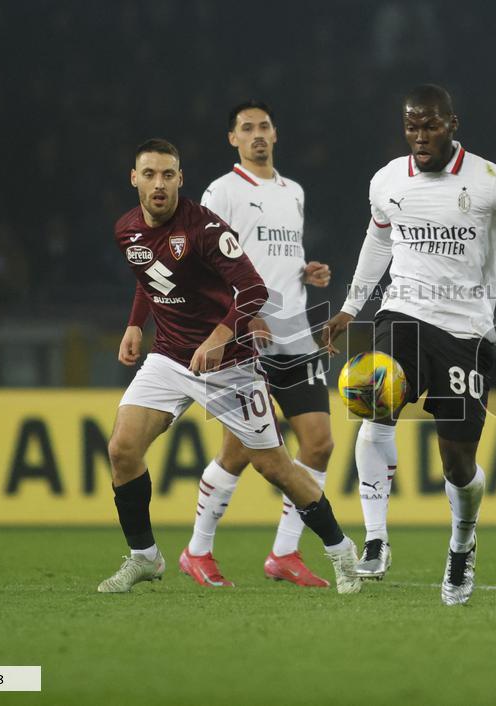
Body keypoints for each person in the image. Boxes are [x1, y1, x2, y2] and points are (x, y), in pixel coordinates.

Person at [322, 85, 496, 605]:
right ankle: (377, 539)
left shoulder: (491, 180)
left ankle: (462, 543)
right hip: (402, 312)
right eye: (412, 126)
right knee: (372, 400)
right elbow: (379, 240)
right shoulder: (386, 180)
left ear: (453, 124)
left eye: (430, 125)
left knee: (457, 461)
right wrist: (350, 307)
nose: (420, 136)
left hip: (466, 331)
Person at [99, 138, 360, 594]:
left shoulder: (203, 228)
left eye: (167, 175)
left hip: (230, 363)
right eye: (149, 174)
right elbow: (149, 275)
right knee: (122, 449)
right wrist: (135, 325)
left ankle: (341, 552)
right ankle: (145, 557)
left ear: (181, 179)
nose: (158, 184)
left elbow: (255, 290)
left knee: (275, 466)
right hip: (169, 357)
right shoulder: (126, 230)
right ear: (134, 179)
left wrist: (221, 337)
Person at [166, 100, 334, 588]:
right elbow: (201, 264)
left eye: (263, 127)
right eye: (246, 128)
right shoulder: (222, 191)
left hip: (295, 335)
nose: (257, 134)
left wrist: (304, 271)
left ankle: (285, 553)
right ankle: (197, 550)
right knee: (240, 449)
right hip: (243, 338)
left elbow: (269, 255)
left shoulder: (294, 192)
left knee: (319, 444)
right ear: (233, 139)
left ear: (276, 134)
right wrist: (248, 314)